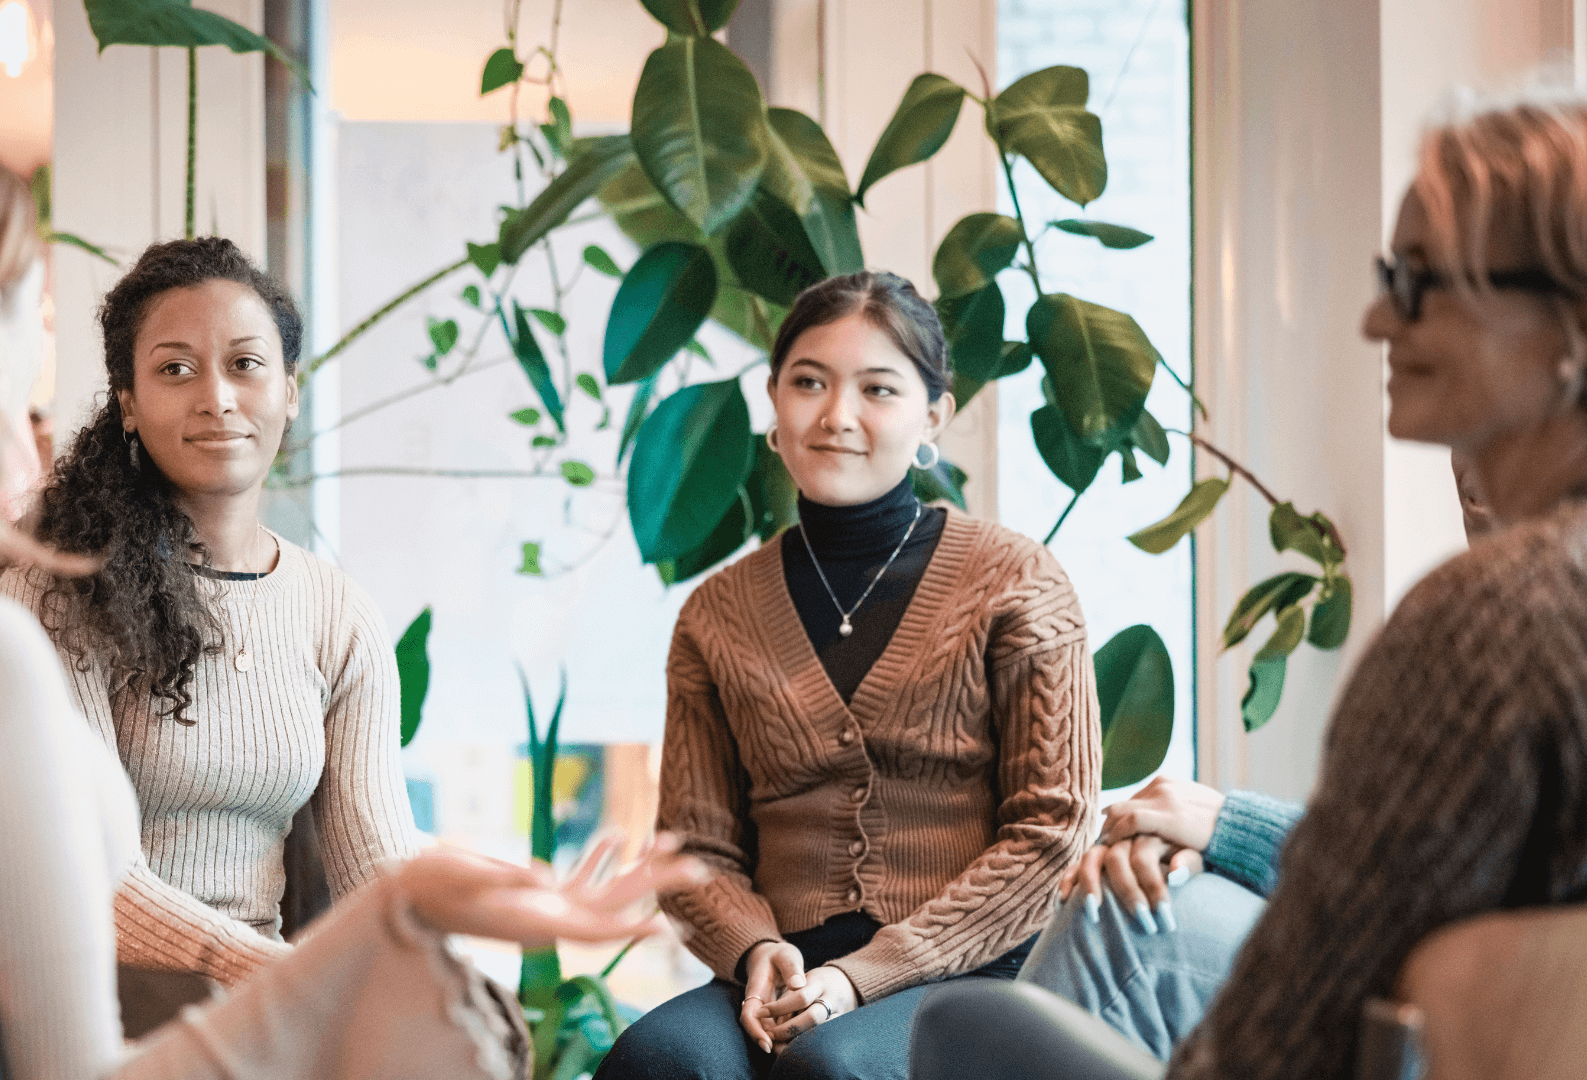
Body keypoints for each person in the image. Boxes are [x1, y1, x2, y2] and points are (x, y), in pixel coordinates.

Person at [0, 118, 705, 1080]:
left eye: (247, 365)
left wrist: (401, 896)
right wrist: (392, 919)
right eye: (27, 313)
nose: (37, 356)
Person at [910, 84, 1587, 1080]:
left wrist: (1225, 832)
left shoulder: (1497, 619)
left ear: (1564, 327)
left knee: (1042, 974)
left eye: (1417, 282)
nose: (1375, 319)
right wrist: (1227, 833)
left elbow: (1291, 1020)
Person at [596, 271, 1100, 1080]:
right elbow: (695, 850)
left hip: (970, 965)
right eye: (809, 383)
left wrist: (862, 977)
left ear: (932, 416)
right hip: (782, 967)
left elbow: (1052, 832)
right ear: (773, 400)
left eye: (878, 389)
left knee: (833, 1068)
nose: (836, 415)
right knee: (659, 1062)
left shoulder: (1017, 581)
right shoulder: (716, 614)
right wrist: (755, 948)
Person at [0, 238, 419, 1027]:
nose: (217, 397)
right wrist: (274, 975)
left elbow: (379, 865)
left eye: (245, 364)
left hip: (264, 1003)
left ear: (290, 392)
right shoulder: (57, 592)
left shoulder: (338, 614)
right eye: (176, 370)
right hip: (96, 1005)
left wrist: (443, 960)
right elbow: (86, 871)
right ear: (128, 403)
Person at [1013, 451, 1498, 1061]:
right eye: (1465, 485)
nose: (1470, 495)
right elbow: (1414, 843)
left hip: (1486, 1003)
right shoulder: (1483, 622)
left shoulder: (1534, 635)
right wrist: (1203, 850)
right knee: (1128, 896)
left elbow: (1458, 884)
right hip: (1420, 959)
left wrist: (1234, 830)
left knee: (1123, 930)